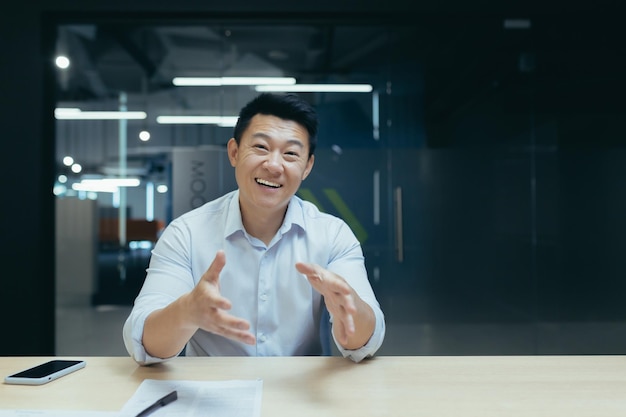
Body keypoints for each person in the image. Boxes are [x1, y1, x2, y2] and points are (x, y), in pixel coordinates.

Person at [123, 92, 385, 365]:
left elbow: (368, 339)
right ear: (234, 152)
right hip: (210, 397)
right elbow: (143, 343)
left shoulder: (332, 235)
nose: (273, 165)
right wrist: (187, 312)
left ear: (307, 166)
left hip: (299, 397)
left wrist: (350, 313)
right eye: (261, 147)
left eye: (291, 154)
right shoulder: (186, 234)